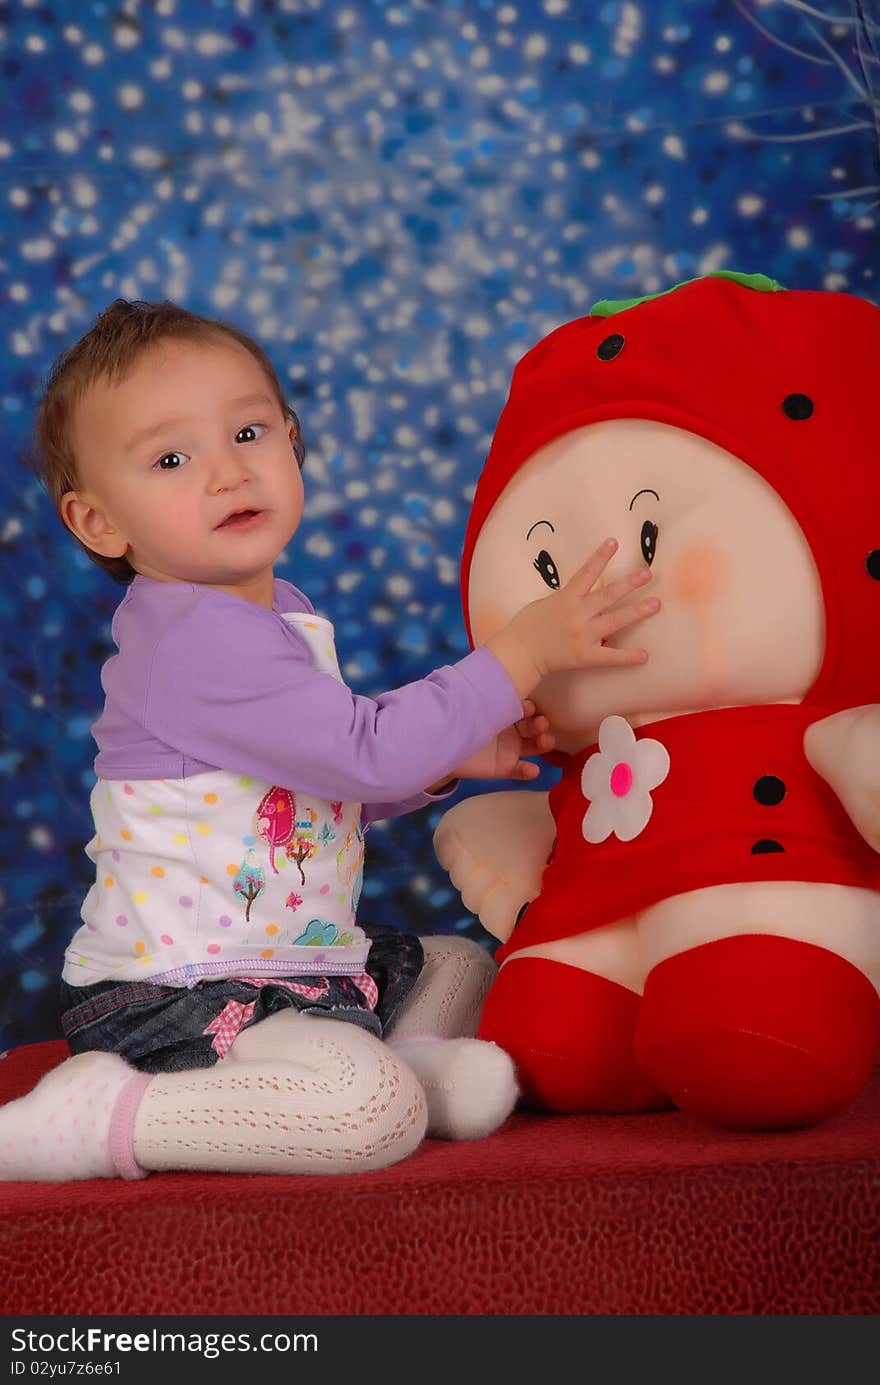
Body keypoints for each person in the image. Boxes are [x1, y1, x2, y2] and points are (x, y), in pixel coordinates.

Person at [0, 298, 659, 1182]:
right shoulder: (192, 638)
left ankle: (410, 1064)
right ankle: (109, 1114)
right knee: (365, 1116)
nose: (228, 473)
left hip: (290, 966)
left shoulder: (274, 613)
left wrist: (449, 760)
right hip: (185, 993)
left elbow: (315, 785)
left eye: (248, 432)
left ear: (293, 440)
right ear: (99, 524)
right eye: (170, 458)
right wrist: (520, 653)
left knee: (461, 959)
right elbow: (364, 748)